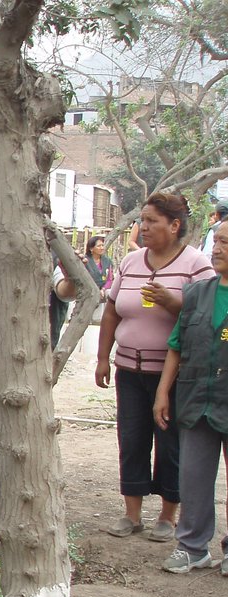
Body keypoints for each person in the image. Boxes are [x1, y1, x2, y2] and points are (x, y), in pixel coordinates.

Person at [95, 192, 214, 541]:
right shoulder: (132, 263)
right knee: (131, 439)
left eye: (151, 221)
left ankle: (167, 514)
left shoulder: (196, 265)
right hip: (129, 369)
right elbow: (112, 311)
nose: (143, 227)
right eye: (142, 221)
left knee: (170, 442)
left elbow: (204, 316)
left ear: (174, 226)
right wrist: (104, 357)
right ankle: (132, 514)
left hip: (173, 374)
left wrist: (172, 301)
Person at [154, 221, 228, 575]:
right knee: (194, 476)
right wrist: (162, 392)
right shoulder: (197, 292)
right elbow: (176, 347)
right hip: (197, 398)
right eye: (217, 241)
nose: (218, 249)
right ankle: (192, 546)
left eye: (226, 243)